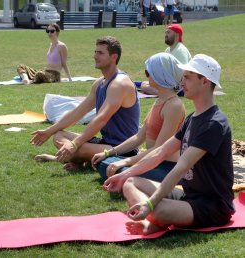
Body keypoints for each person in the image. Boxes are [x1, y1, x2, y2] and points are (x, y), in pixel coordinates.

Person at [104, 54, 235, 235]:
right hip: (188, 196)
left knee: (156, 208)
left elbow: (181, 167)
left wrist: (150, 204)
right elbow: (160, 153)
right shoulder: (193, 118)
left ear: (204, 81)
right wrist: (124, 173)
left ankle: (155, 218)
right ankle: (155, 220)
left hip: (212, 206)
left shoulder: (213, 123)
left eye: (188, 77)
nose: (182, 82)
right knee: (130, 182)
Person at [31, 36, 140, 170]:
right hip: (105, 143)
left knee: (76, 147)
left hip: (121, 149)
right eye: (95, 52)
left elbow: (101, 119)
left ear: (114, 57)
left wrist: (75, 144)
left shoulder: (119, 83)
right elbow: (77, 112)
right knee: (59, 136)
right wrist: (48, 131)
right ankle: (81, 160)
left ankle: (73, 159)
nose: (95, 56)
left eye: (100, 53)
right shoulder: (100, 83)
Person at [92, 53, 185, 182]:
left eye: (148, 73)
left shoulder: (174, 105)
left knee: (118, 169)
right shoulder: (160, 101)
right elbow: (138, 137)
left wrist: (126, 162)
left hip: (167, 166)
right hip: (151, 160)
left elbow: (159, 149)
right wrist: (108, 153)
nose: (146, 76)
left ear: (159, 75)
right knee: (105, 163)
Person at [140, 24, 191, 95]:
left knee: (145, 87)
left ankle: (165, 93)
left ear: (176, 35)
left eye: (168, 32)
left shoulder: (180, 49)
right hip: (171, 84)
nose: (166, 35)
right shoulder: (168, 50)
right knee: (144, 84)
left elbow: (183, 73)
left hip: (180, 87)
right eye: (166, 32)